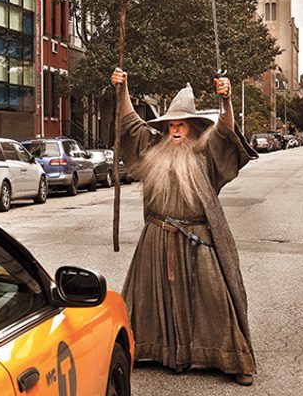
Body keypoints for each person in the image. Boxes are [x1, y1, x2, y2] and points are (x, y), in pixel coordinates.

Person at [111, 68, 257, 386]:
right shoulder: (152, 151)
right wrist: (123, 91)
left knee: (216, 299)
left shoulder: (206, 155)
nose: (175, 130)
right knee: (143, 301)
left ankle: (232, 358)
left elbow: (224, 133)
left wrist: (226, 100)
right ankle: (143, 349)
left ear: (191, 128)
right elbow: (131, 126)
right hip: (156, 238)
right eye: (171, 125)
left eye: (181, 124)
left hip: (199, 239)